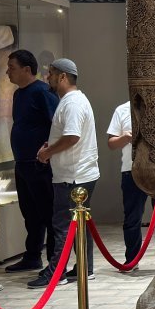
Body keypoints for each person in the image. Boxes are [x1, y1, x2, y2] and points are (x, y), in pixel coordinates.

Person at [28, 58, 98, 288]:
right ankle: (85, 268)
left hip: (73, 175)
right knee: (78, 224)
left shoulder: (72, 103)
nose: (47, 77)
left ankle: (55, 273)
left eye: (51, 73)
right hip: (78, 173)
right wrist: (51, 146)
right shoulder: (72, 101)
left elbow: (72, 137)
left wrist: (48, 153)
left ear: (63, 77)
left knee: (62, 225)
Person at [4, 49, 58, 273]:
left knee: (47, 213)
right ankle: (32, 255)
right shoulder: (19, 94)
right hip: (22, 163)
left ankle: (54, 261)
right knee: (30, 213)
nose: (8, 72)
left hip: (39, 164)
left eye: (12, 68)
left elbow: (56, 124)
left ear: (27, 69)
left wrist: (47, 152)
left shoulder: (42, 92)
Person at [106, 100, 149, 263]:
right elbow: (111, 143)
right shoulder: (122, 109)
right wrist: (125, 137)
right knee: (132, 218)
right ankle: (131, 260)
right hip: (131, 168)